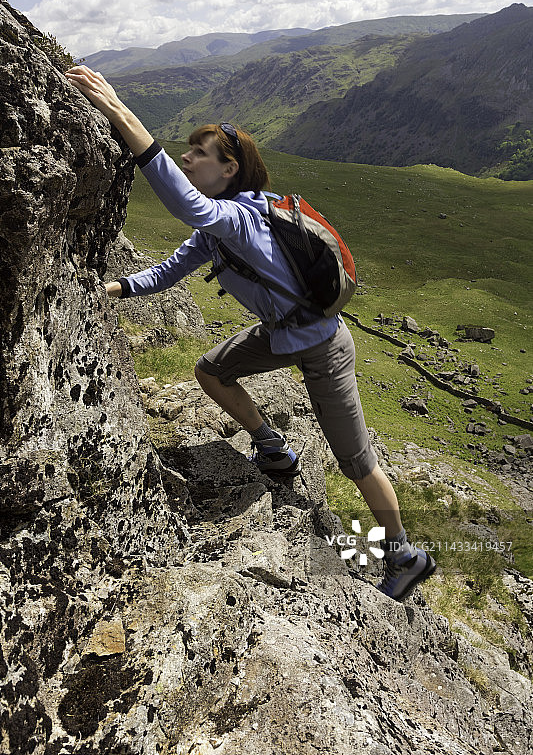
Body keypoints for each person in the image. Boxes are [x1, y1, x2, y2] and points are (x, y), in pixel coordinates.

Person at [65, 65, 436, 601]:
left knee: (355, 461)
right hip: (282, 333)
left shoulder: (240, 218)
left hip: (324, 346)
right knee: (212, 370)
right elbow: (169, 271)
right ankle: (273, 449)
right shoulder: (216, 229)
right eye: (186, 152)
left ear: (229, 169)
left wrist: (120, 112)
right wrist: (114, 288)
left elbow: (183, 203)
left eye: (198, 154)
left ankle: (404, 554)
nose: (187, 159)